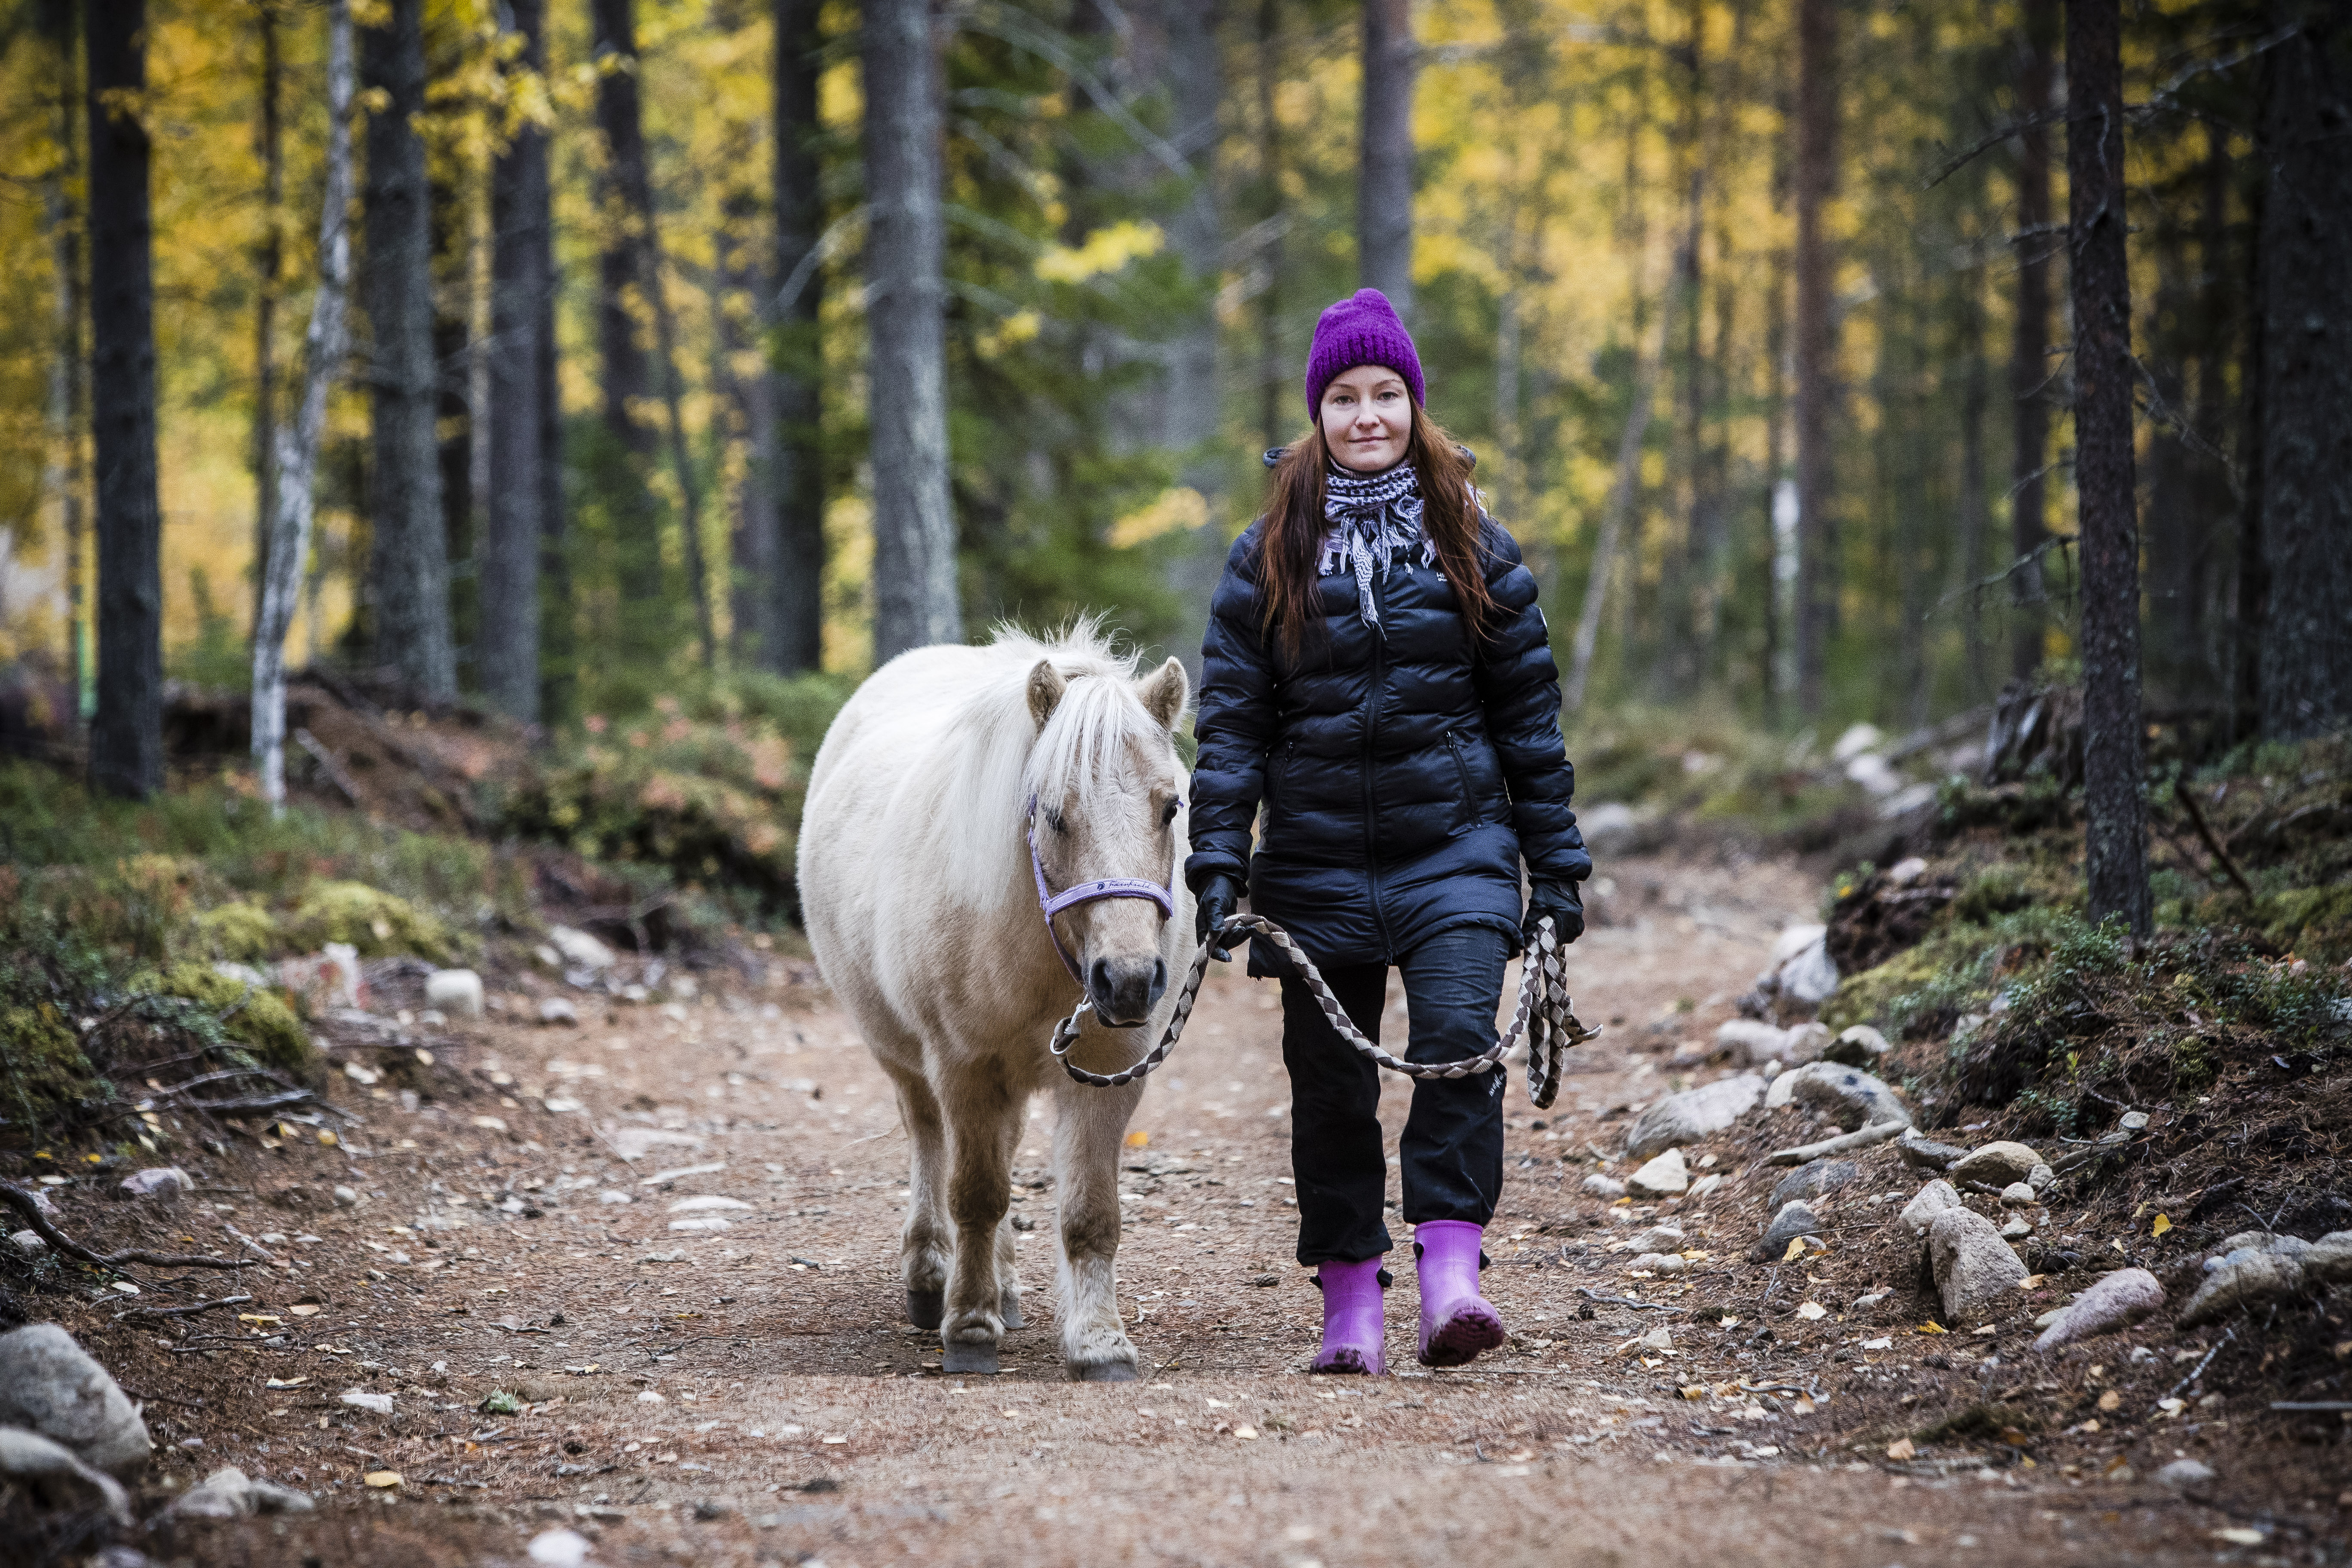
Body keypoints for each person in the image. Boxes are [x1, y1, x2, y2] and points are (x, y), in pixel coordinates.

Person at [1186, 288, 1590, 1375]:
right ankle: (1351, 1303)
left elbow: (1529, 724)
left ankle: (1451, 1278)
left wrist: (1555, 867)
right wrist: (1219, 860)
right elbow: (1232, 724)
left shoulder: (1477, 543)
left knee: (1459, 1048)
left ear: (1416, 403)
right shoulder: (1263, 555)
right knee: (1330, 1089)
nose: (1369, 415)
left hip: (1454, 851)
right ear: (1317, 413)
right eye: (1347, 397)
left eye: (1389, 394)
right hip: (1312, 866)